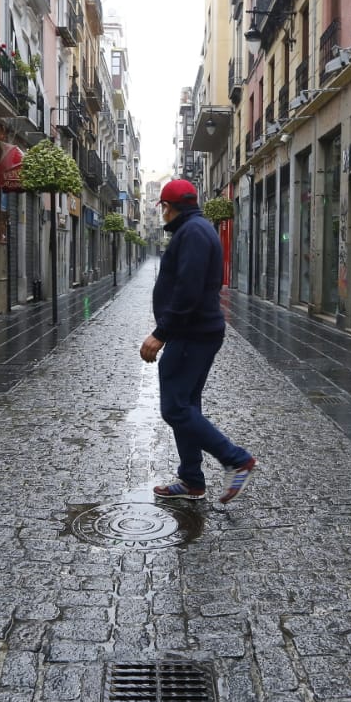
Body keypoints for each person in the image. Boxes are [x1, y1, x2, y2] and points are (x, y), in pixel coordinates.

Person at [140, 179, 257, 503]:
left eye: (162, 208)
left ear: (167, 207)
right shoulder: (198, 229)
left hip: (192, 333)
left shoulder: (192, 233)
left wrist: (160, 333)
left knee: (175, 409)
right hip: (197, 331)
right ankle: (192, 480)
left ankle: (236, 459)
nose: (162, 214)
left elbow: (187, 290)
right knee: (187, 405)